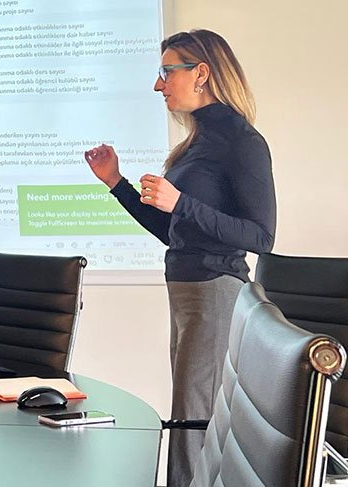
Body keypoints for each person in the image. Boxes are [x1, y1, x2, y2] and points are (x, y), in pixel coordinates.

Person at [84, 29, 275, 487]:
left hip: (216, 291)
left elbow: (261, 236)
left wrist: (181, 203)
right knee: (192, 414)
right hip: (188, 292)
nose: (159, 85)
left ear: (201, 73)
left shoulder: (242, 142)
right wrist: (117, 184)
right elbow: (175, 233)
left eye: (167, 72)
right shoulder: (197, 143)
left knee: (193, 419)